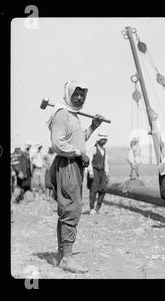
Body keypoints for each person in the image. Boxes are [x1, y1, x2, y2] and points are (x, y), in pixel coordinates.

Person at [47, 80, 105, 273]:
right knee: (71, 209)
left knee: (67, 210)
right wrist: (80, 154)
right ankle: (67, 259)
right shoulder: (61, 114)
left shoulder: (73, 115)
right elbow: (58, 143)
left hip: (74, 165)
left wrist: (93, 127)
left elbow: (78, 140)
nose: (80, 97)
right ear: (68, 94)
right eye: (76, 94)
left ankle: (62, 255)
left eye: (83, 94)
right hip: (68, 165)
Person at [86, 133, 110, 215]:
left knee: (104, 189)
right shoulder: (93, 149)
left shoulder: (104, 150)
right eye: (102, 140)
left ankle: (98, 207)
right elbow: (89, 161)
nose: (104, 141)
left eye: (105, 140)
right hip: (94, 170)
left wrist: (107, 173)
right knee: (94, 190)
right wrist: (91, 171)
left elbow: (106, 162)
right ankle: (92, 208)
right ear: (99, 140)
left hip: (102, 171)